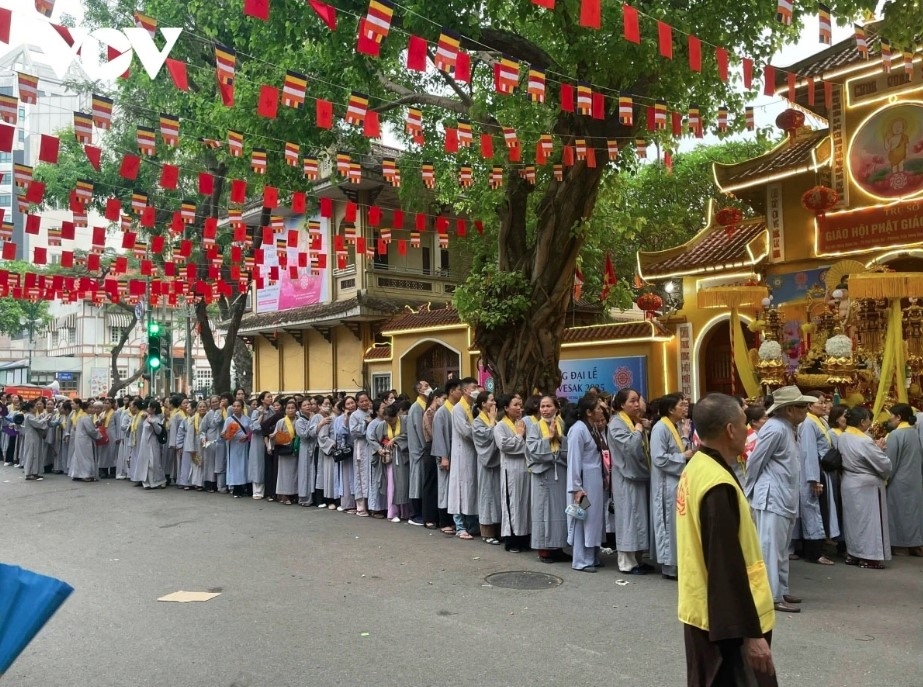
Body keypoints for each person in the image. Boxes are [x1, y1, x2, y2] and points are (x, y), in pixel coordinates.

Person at [676, 393, 777, 687]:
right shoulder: (716, 484)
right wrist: (751, 634)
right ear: (730, 430)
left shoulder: (697, 467)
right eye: (745, 422)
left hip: (702, 608)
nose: (749, 430)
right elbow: (724, 565)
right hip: (725, 623)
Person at [745, 385, 814, 613]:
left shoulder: (787, 428)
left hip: (784, 495)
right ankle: (771, 596)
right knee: (771, 549)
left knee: (782, 548)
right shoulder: (775, 429)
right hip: (772, 496)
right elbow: (755, 461)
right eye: (802, 406)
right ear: (789, 410)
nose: (807, 410)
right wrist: (750, 490)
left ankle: (781, 589)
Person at [838, 406, 892, 569]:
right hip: (866, 485)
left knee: (853, 521)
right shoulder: (864, 441)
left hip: (849, 481)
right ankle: (869, 557)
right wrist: (880, 450)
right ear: (862, 422)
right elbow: (884, 465)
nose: (870, 422)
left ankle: (853, 554)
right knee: (870, 522)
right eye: (869, 419)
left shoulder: (844, 436)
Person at [608, 388, 652, 575]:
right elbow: (629, 448)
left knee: (639, 517)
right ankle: (627, 562)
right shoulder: (616, 424)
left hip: (638, 475)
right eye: (632, 401)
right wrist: (638, 431)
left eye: (638, 400)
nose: (636, 404)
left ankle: (638, 559)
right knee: (628, 517)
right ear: (621, 405)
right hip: (626, 477)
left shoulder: (635, 421)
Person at [650, 393, 694, 580]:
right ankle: (669, 566)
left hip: (676, 482)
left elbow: (680, 450)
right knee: (668, 524)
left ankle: (677, 562)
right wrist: (683, 457)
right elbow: (659, 458)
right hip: (665, 484)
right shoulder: (660, 428)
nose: (685, 408)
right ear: (670, 409)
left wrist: (685, 437)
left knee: (676, 524)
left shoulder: (675, 426)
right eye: (681, 405)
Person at [566, 395, 609, 572]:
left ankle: (592, 556)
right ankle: (581, 560)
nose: (602, 410)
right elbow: (574, 460)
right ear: (589, 412)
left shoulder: (593, 428)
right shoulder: (578, 430)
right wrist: (576, 488)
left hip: (595, 481)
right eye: (598, 408)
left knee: (594, 519)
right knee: (583, 519)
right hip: (584, 483)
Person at [796, 392, 838, 565]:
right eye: (820, 402)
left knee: (822, 509)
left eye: (824, 402)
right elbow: (808, 452)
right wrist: (813, 479)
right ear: (809, 406)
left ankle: (819, 546)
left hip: (823, 470)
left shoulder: (820, 421)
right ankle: (813, 552)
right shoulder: (807, 423)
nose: (824, 405)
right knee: (814, 511)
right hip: (814, 472)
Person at [526, 395, 568, 562]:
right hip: (543, 475)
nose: (544, 409)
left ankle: (558, 547)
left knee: (558, 510)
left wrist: (559, 438)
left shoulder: (562, 425)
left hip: (559, 473)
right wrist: (548, 438)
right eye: (542, 406)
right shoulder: (535, 427)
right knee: (543, 512)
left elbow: (568, 446)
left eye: (548, 406)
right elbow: (531, 450)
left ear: (556, 408)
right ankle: (544, 549)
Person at [885, 404, 923, 556]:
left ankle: (896, 543)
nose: (889, 418)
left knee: (896, 513)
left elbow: (890, 463)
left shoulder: (896, 435)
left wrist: (885, 479)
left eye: (891, 415)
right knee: (912, 513)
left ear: (899, 417)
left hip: (898, 481)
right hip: (914, 479)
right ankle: (915, 543)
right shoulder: (914, 431)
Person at [494, 394, 530, 552]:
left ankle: (524, 538)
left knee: (524, 505)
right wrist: (519, 436)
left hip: (525, 468)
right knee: (513, 505)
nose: (518, 408)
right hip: (511, 470)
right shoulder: (500, 426)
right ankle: (512, 541)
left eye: (520, 405)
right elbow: (504, 445)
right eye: (515, 405)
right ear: (506, 408)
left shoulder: (522, 423)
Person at [448, 378, 480, 539]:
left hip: (473, 453)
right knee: (459, 490)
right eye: (474, 387)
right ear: (465, 390)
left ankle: (472, 524)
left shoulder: (474, 408)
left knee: (471, 488)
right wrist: (482, 434)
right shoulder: (458, 409)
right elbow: (466, 432)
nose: (477, 390)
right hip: (462, 454)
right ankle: (460, 526)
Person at [432, 379, 461, 534]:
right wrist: (443, 456)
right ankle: (444, 521)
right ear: (451, 391)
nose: (461, 393)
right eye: (459, 389)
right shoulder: (442, 412)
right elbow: (438, 436)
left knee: (454, 488)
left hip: (456, 454)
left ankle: (454, 519)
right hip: (446, 455)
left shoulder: (458, 409)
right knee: (444, 488)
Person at [472, 391, 501, 545]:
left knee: (497, 495)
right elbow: (484, 440)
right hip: (486, 463)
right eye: (491, 400)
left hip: (498, 463)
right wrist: (491, 423)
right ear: (483, 404)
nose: (494, 403)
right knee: (487, 495)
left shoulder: (495, 420)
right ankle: (487, 531)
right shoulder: (477, 422)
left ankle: (498, 529)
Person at [406, 380, 431, 526]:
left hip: (424, 450)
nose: (429, 389)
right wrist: (426, 446)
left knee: (423, 482)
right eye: (426, 387)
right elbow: (419, 430)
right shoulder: (416, 408)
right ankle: (415, 514)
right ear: (420, 391)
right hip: (419, 451)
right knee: (417, 482)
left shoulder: (425, 405)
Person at [421, 388, 446, 529]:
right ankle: (429, 517)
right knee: (430, 484)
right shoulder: (429, 413)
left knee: (438, 485)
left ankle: (436, 516)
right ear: (436, 398)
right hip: (431, 449)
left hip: (438, 447)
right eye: (443, 398)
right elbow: (432, 433)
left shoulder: (438, 413)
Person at [272, 399, 299, 505]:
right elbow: (275, 435)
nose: (291, 410)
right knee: (284, 473)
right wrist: (275, 438)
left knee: (295, 473)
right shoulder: (281, 422)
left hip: (295, 449)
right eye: (288, 408)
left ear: (296, 410)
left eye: (293, 408)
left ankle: (293, 494)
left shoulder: (299, 420)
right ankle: (284, 495)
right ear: (285, 410)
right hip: (284, 450)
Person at [350, 392, 373, 516]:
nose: (365, 403)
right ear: (357, 403)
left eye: (366, 400)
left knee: (370, 475)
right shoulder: (354, 415)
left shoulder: (372, 412)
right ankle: (360, 506)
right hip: (361, 446)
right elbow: (353, 431)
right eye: (362, 401)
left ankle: (372, 504)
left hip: (371, 446)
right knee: (360, 475)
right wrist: (365, 423)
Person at [223, 400, 252, 498]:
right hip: (234, 445)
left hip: (244, 445)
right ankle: (236, 488)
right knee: (235, 467)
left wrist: (247, 436)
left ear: (242, 407)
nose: (236, 408)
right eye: (234, 406)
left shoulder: (247, 419)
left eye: (238, 406)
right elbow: (223, 434)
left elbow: (251, 431)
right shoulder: (229, 420)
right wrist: (227, 435)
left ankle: (247, 487)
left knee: (245, 465)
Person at [69, 400, 103, 483]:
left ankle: (77, 474)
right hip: (85, 440)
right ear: (86, 409)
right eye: (90, 408)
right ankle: (86, 475)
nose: (92, 409)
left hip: (80, 439)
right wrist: (99, 435)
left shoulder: (82, 416)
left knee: (78, 457)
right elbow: (91, 430)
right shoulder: (86, 417)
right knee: (86, 458)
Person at [249, 391, 272, 500]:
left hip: (269, 439)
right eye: (268, 397)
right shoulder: (256, 412)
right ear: (262, 400)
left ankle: (268, 489)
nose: (271, 398)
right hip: (258, 440)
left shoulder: (272, 410)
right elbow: (253, 428)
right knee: (258, 463)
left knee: (267, 464)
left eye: (271, 396)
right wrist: (261, 416)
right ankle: (257, 490)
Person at [139, 400, 167, 490]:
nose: (147, 409)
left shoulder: (157, 418)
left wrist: (153, 423)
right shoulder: (147, 416)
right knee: (145, 462)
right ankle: (146, 482)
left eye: (149, 407)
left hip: (152, 442)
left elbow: (159, 431)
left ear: (154, 409)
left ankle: (159, 480)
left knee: (153, 463)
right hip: (144, 443)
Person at [295, 397, 317, 507]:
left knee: (312, 472)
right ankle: (304, 497)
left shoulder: (313, 418)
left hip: (313, 447)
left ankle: (312, 497)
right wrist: (312, 423)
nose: (308, 406)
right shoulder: (299, 421)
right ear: (300, 408)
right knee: (305, 472)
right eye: (305, 405)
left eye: (309, 404)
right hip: (305, 448)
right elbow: (304, 435)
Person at [21, 400, 48, 481]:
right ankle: (29, 473)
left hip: (34, 437)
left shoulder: (30, 415)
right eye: (35, 407)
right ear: (30, 408)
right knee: (31, 455)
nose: (36, 408)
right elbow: (38, 424)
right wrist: (45, 418)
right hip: (31, 438)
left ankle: (35, 472)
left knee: (35, 455)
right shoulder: (29, 416)